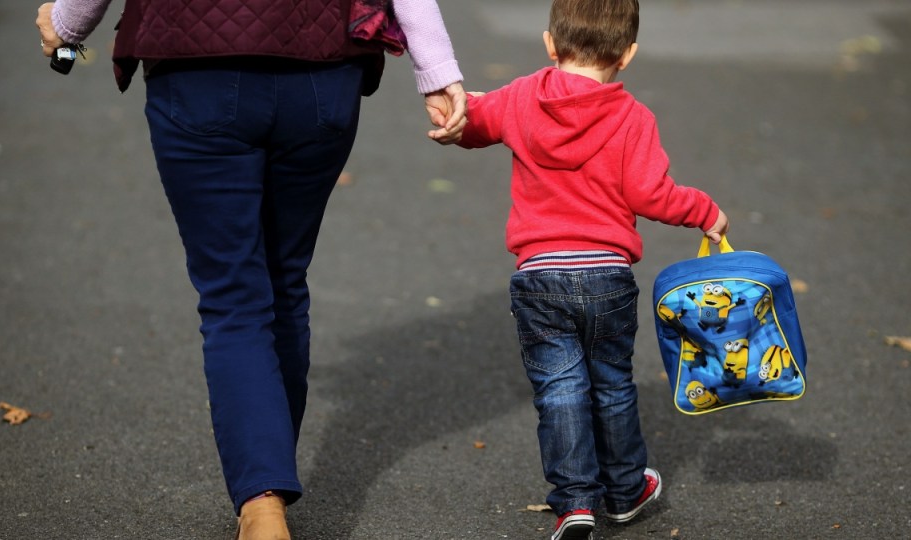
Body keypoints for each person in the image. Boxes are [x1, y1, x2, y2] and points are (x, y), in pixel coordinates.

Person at [35, 0, 466, 538]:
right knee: (284, 279)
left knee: (233, 293)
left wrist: (70, 21)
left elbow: (72, 20)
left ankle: (262, 504)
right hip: (322, 71)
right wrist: (437, 71)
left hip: (197, 66)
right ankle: (268, 490)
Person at [446, 1, 729, 538]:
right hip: (607, 276)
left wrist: (455, 112)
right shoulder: (632, 117)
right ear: (628, 55)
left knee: (559, 390)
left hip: (539, 275)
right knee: (613, 385)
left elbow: (474, 123)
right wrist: (705, 211)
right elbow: (652, 194)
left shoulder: (523, 96)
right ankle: (624, 491)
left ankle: (575, 502)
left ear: (551, 44)